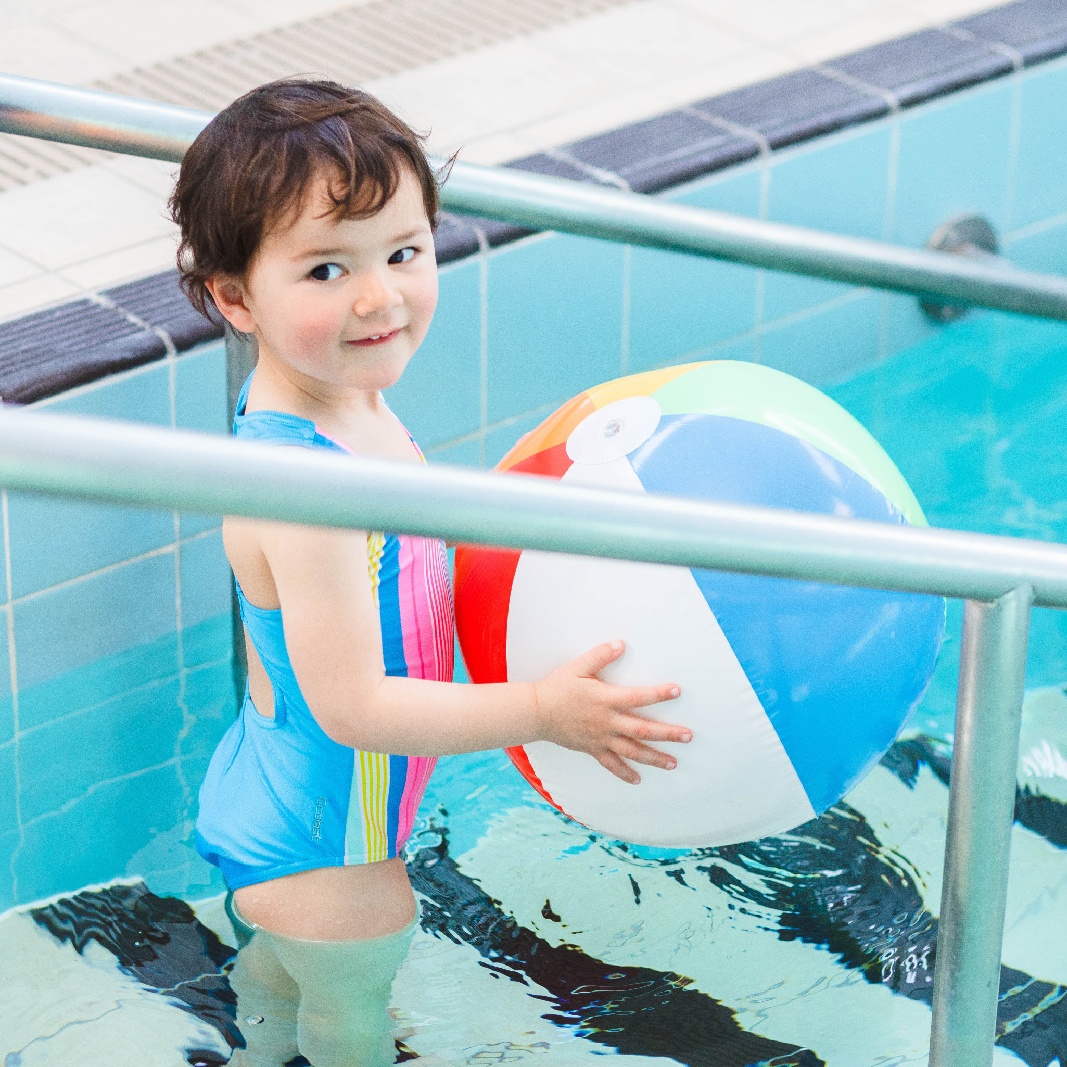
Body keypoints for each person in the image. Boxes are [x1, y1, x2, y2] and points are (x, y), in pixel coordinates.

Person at [170, 78, 691, 1066]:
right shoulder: (304, 489)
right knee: (349, 1029)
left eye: (402, 253)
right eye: (326, 268)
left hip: (283, 797)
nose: (379, 296)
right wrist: (538, 707)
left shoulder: (346, 404)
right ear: (234, 297)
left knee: (279, 1012)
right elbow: (357, 708)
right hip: (332, 855)